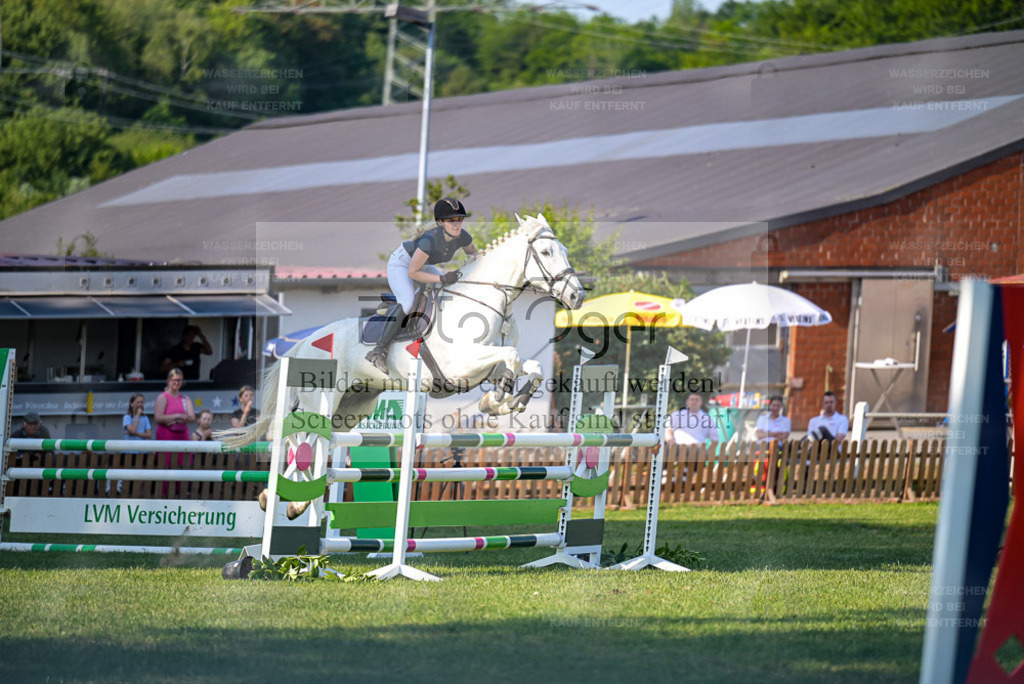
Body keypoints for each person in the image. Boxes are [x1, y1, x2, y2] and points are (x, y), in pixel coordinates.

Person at [365, 197, 479, 376]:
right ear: (441, 222)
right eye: (451, 220)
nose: (457, 224)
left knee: (448, 288)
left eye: (460, 219)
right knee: (408, 301)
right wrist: (441, 279)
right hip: (403, 264)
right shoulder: (429, 240)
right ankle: (378, 350)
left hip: (422, 265)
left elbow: (474, 255)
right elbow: (413, 273)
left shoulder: (463, 237)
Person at [154, 368, 195, 497]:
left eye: (179, 380)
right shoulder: (163, 397)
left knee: (184, 465)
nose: (176, 383)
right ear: (168, 381)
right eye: (174, 380)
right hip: (166, 435)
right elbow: (158, 417)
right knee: (166, 465)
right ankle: (163, 494)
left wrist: (178, 418)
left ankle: (182, 493)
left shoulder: (185, 398)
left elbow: (192, 417)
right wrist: (178, 416)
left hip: (182, 435)